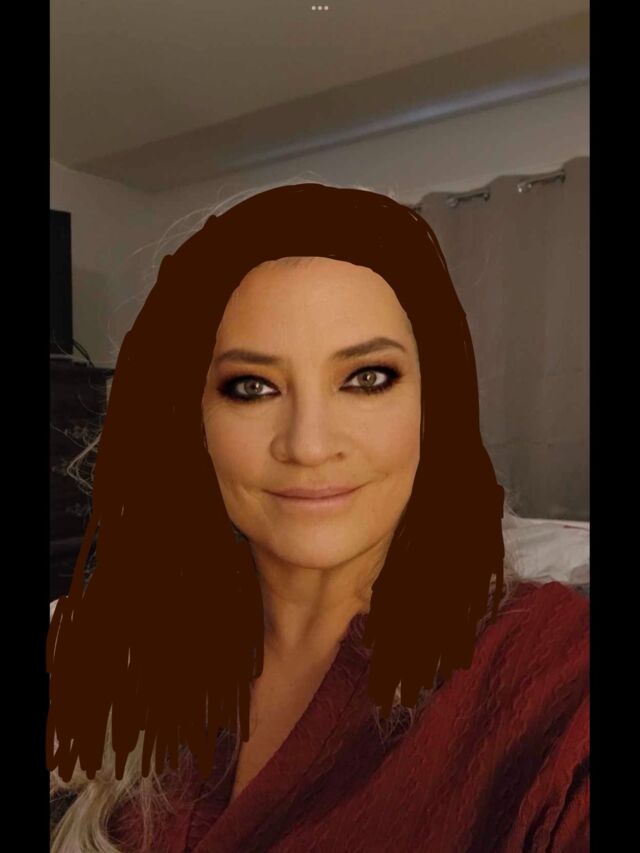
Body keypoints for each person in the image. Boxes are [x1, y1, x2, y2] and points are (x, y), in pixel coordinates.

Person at [48, 182, 589, 852]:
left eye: (367, 378)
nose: (308, 445)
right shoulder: (137, 639)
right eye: (252, 386)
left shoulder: (551, 671)